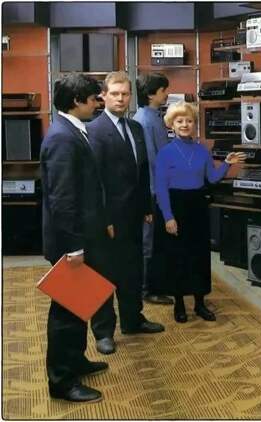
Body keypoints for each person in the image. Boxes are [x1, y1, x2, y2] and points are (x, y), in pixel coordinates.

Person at [40, 74, 110, 402]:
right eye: (94, 99)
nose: (98, 103)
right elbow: (62, 199)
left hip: (81, 237)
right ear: (77, 101)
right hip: (70, 242)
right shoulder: (62, 138)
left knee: (79, 305)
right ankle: (62, 381)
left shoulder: (71, 130)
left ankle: (76, 360)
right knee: (66, 312)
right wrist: (74, 247)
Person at [88, 72, 165, 355]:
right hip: (109, 219)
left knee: (132, 271)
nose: (120, 99)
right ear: (103, 96)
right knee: (104, 274)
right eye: (115, 94)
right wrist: (104, 218)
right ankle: (103, 332)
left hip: (134, 214)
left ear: (131, 96)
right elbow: (94, 181)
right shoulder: (94, 130)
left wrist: (146, 207)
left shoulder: (135, 127)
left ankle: (133, 320)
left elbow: (142, 171)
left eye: (125, 94)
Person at [153, 101, 246, 323]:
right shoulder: (165, 153)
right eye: (180, 121)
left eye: (189, 121)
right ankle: (179, 304)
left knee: (200, 257)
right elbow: (160, 188)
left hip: (198, 207)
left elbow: (212, 178)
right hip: (175, 206)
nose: (185, 125)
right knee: (178, 257)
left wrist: (226, 164)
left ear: (195, 124)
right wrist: (168, 217)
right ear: (171, 125)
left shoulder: (202, 150)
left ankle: (200, 303)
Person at [133, 73, 173, 305]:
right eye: (163, 90)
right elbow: (151, 159)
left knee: (154, 240)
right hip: (152, 190)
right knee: (149, 242)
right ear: (151, 94)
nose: (166, 94)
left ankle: (151, 286)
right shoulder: (145, 120)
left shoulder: (151, 117)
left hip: (156, 188)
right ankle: (147, 290)